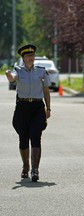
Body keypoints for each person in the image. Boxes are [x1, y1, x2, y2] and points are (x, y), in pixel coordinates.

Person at [5, 44, 51, 182]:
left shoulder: (41, 71)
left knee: (36, 137)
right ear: (23, 58)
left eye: (32, 55)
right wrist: (8, 74)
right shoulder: (18, 70)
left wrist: (48, 108)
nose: (30, 58)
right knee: (23, 139)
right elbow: (12, 77)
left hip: (37, 107)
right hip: (22, 107)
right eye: (27, 56)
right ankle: (25, 165)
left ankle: (35, 169)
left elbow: (46, 91)